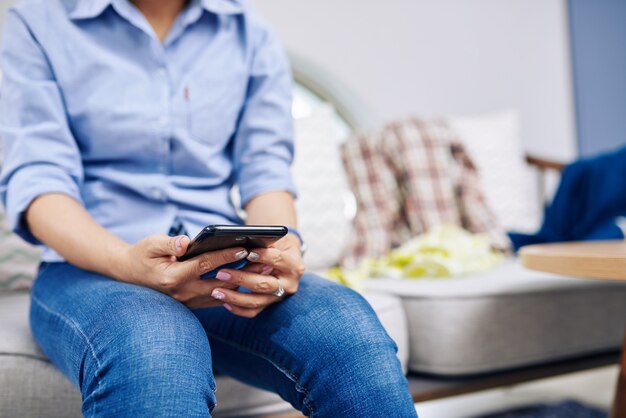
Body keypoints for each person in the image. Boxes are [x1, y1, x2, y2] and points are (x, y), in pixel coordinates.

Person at [0, 0, 418, 417]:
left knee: (344, 325)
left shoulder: (249, 34)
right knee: (154, 342)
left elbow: (266, 171)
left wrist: (281, 248)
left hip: (219, 265)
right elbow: (39, 181)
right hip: (87, 268)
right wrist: (125, 262)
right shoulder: (37, 24)